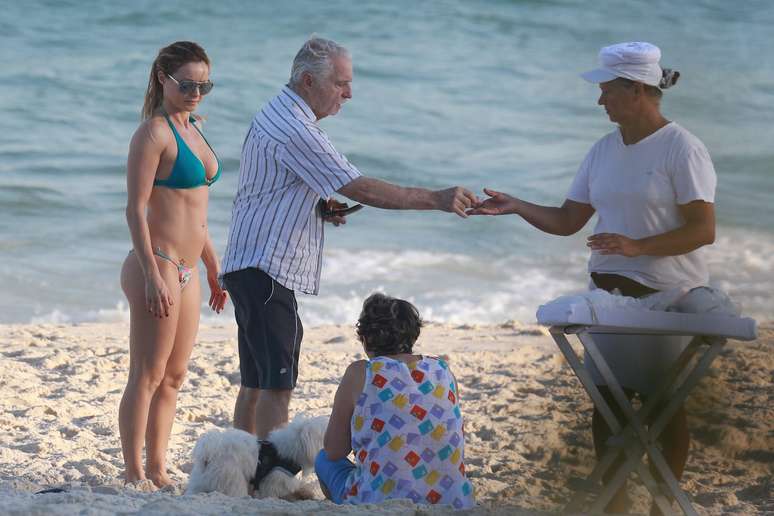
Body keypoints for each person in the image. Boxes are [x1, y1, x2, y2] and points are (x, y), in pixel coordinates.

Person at [469, 42, 716, 514]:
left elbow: (702, 229)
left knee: (664, 408)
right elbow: (567, 220)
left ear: (637, 90)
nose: (599, 100)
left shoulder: (682, 148)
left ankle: (664, 503)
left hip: (668, 296)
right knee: (608, 407)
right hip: (607, 295)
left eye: (606, 90)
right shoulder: (602, 150)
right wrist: (517, 206)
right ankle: (613, 504)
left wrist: (637, 246)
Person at [220, 36, 479, 440]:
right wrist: (438, 198)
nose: (349, 93)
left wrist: (319, 206)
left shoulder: (276, 111)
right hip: (265, 266)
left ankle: (242, 469)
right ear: (308, 81)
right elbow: (363, 189)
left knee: (256, 379)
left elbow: (272, 185)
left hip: (247, 262)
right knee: (277, 383)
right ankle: (268, 474)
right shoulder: (296, 129)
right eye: (341, 83)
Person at [119, 41, 228, 488]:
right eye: (187, 84)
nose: (196, 92)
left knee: (174, 375)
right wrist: (150, 274)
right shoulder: (153, 134)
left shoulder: (196, 128)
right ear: (163, 78)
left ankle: (159, 468)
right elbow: (134, 209)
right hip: (157, 264)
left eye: (204, 85)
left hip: (190, 268)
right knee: (146, 373)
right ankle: (133, 471)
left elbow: (196, 213)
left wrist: (214, 268)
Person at [315, 293, 475, 508]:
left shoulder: (361, 372)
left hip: (381, 502)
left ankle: (346, 506)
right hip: (454, 500)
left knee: (323, 460)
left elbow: (334, 450)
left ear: (364, 338)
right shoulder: (442, 369)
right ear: (413, 336)